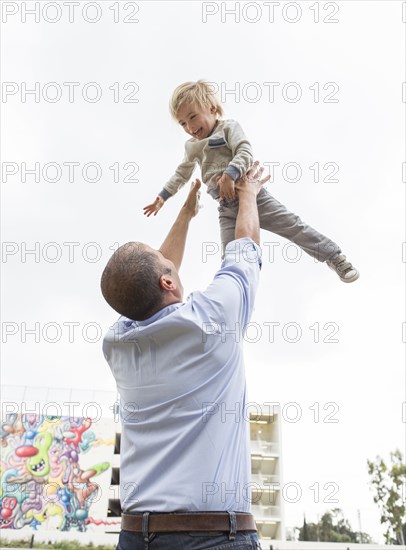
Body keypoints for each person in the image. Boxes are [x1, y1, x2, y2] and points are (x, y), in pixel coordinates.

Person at [101, 163, 267, 550]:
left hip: (136, 535)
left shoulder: (117, 344)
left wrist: (186, 214)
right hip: (213, 538)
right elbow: (245, 246)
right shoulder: (212, 319)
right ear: (168, 281)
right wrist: (249, 193)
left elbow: (152, 277)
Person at [143, 79, 359, 283]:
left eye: (192, 117)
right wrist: (163, 197)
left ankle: (335, 257)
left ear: (211, 108)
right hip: (227, 208)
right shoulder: (192, 146)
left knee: (293, 226)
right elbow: (182, 173)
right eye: (182, 123)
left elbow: (244, 151)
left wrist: (230, 174)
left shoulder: (228, 128)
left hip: (254, 197)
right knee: (230, 258)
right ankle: (232, 299)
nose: (189, 127)